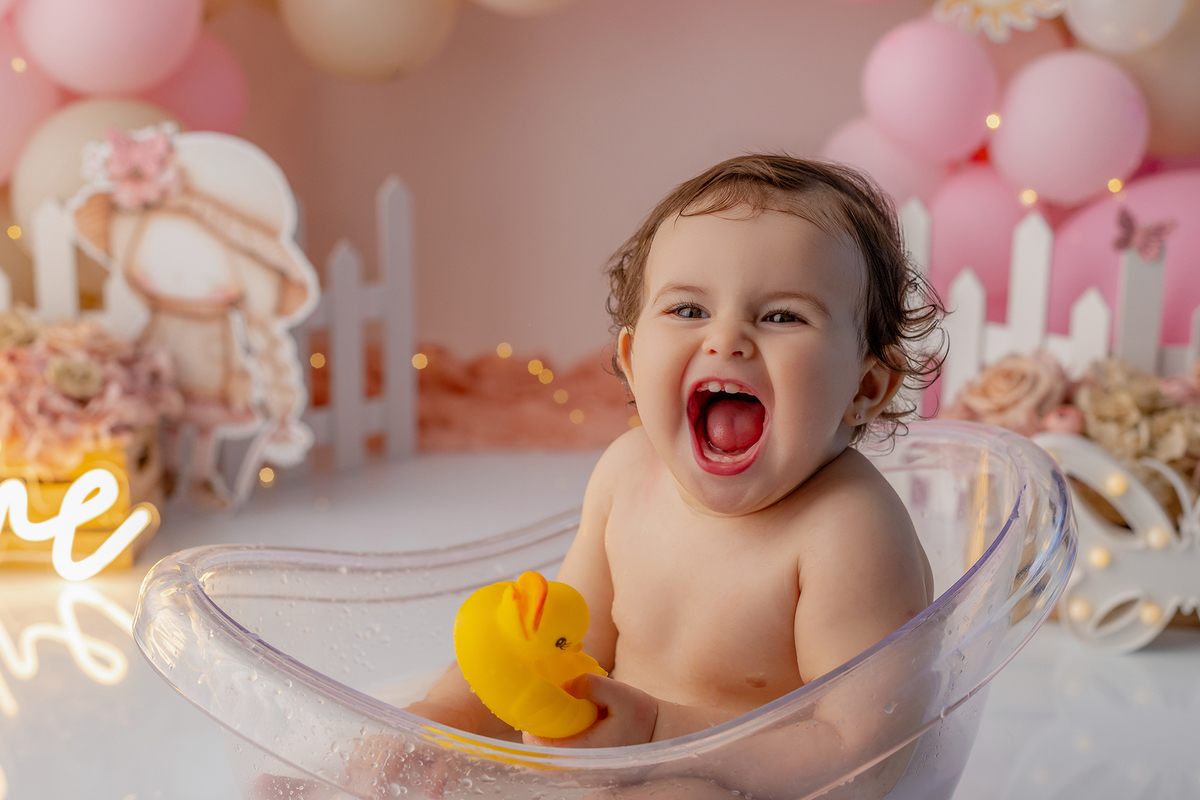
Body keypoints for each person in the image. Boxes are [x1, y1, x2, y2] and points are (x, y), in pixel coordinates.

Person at [278, 154, 946, 800]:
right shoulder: (629, 476)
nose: (727, 340)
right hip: (612, 756)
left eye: (781, 316)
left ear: (865, 385)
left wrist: (662, 733)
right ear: (630, 358)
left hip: (751, 783)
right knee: (429, 755)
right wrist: (452, 720)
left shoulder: (849, 532)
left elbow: (862, 756)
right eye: (688, 310)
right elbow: (570, 643)